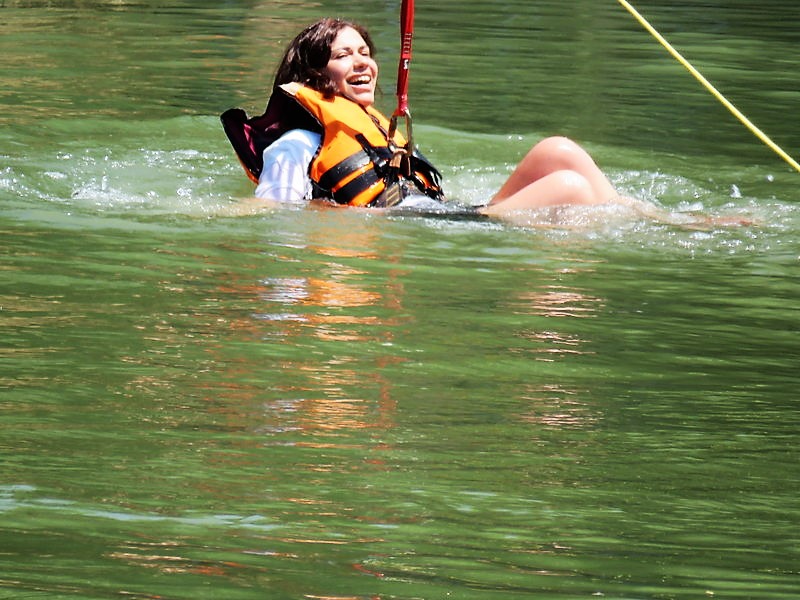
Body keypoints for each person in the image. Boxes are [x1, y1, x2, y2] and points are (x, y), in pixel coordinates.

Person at [219, 18, 714, 223]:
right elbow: (275, 210)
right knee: (569, 188)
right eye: (343, 55)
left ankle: (667, 220)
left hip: (447, 212)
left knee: (559, 150)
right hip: (436, 228)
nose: (362, 61)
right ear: (314, 74)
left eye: (365, 52)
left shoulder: (368, 128)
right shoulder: (297, 143)